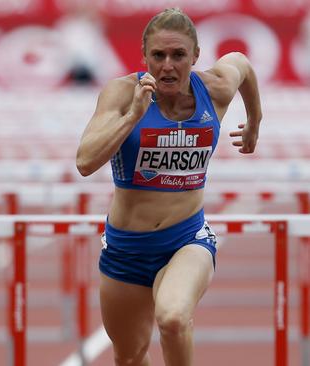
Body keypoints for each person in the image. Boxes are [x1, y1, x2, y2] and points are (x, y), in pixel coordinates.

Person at [76, 8, 261, 366]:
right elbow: (85, 162)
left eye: (178, 55)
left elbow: (243, 64)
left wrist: (254, 122)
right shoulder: (121, 92)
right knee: (129, 358)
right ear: (144, 57)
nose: (167, 66)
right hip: (125, 248)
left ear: (195, 56)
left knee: (174, 318)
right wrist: (132, 116)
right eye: (158, 56)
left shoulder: (215, 89)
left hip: (186, 239)